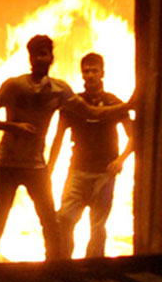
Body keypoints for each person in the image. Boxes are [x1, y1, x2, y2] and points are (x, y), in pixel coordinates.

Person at [0, 35, 129, 260]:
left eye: (44, 54)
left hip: (35, 165)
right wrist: (13, 126)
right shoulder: (14, 85)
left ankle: (55, 269)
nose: (39, 59)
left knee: (51, 223)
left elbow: (92, 112)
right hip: (7, 164)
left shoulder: (59, 90)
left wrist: (127, 106)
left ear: (51, 58)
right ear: (30, 58)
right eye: (35, 55)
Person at [48, 53, 133, 258]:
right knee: (65, 219)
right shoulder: (73, 104)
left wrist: (120, 160)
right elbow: (58, 138)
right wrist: (48, 168)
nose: (90, 75)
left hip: (104, 174)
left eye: (94, 70)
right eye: (86, 71)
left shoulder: (113, 102)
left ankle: (94, 267)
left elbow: (134, 136)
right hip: (78, 171)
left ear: (102, 73)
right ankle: (63, 264)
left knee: (97, 226)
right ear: (82, 74)